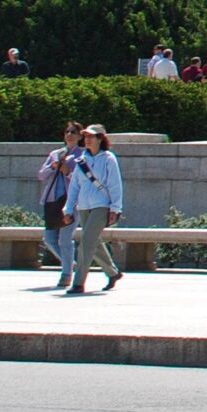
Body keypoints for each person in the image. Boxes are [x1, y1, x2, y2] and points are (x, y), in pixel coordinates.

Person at [64, 125, 125, 294]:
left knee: (86, 242)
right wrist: (68, 209)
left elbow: (115, 184)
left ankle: (78, 283)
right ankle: (112, 273)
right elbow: (75, 185)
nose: (87, 139)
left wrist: (115, 208)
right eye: (86, 136)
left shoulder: (108, 158)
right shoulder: (82, 160)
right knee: (93, 242)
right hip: (84, 206)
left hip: (101, 205)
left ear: (100, 139)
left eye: (91, 136)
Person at [36, 123, 84, 287]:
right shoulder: (55, 154)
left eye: (74, 132)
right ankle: (70, 264)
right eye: (67, 132)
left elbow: (84, 180)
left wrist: (67, 172)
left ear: (80, 136)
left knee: (65, 239)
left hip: (71, 202)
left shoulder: (82, 155)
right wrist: (53, 166)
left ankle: (66, 274)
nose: (70, 134)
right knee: (49, 239)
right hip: (52, 201)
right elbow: (41, 175)